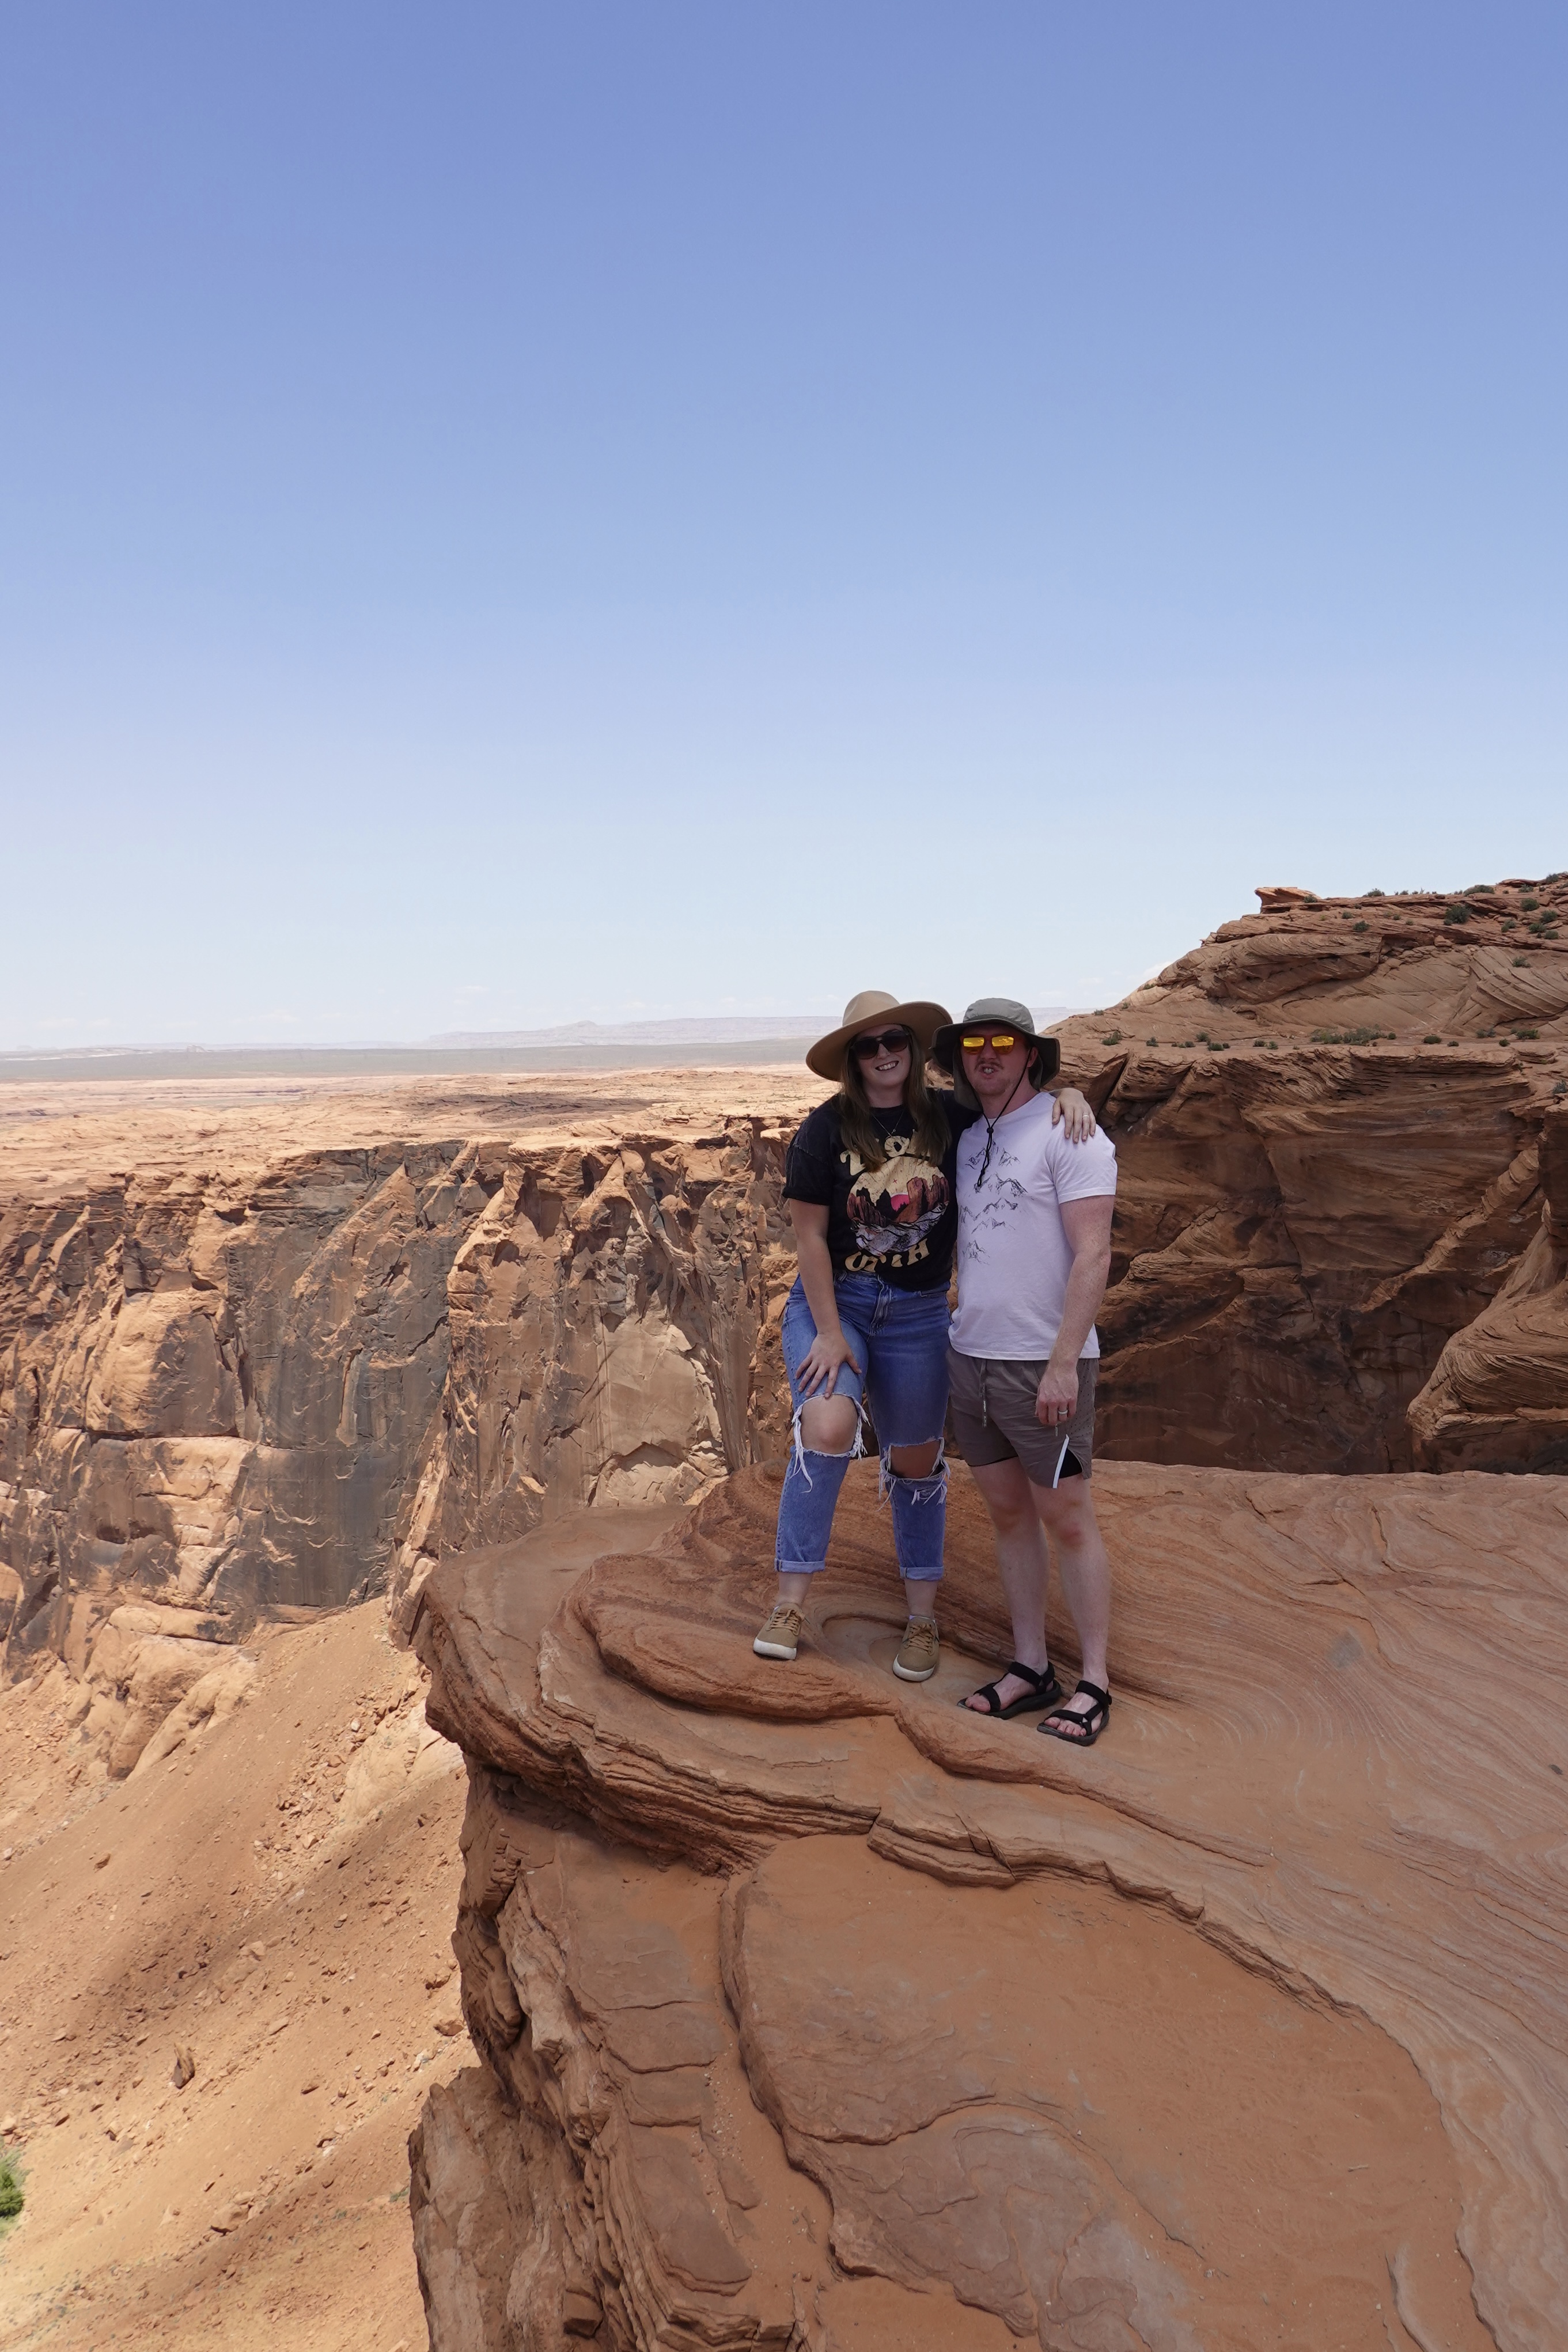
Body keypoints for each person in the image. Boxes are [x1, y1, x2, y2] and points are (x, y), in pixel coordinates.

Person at [752, 990, 1096, 1680]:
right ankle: (789, 1603)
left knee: (914, 1459)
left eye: (894, 1043)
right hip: (838, 1305)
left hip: (917, 1315)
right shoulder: (823, 1130)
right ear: (852, 1060)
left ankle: (922, 1618)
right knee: (825, 1426)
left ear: (912, 1051)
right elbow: (810, 1236)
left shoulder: (949, 1115)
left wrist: (1074, 1095)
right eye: (868, 1046)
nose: (883, 1055)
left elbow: (1019, 1103)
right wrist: (826, 1331)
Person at [931, 997, 1119, 1745]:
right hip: (969, 1359)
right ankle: (1029, 1666)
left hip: (1039, 1364)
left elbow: (1094, 1254)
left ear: (1028, 1055)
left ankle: (1095, 1681)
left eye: (1002, 1042)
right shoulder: (966, 1132)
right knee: (1009, 1516)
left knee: (1067, 1520)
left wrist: (1063, 1364)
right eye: (973, 1041)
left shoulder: (1069, 1132)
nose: (986, 1052)